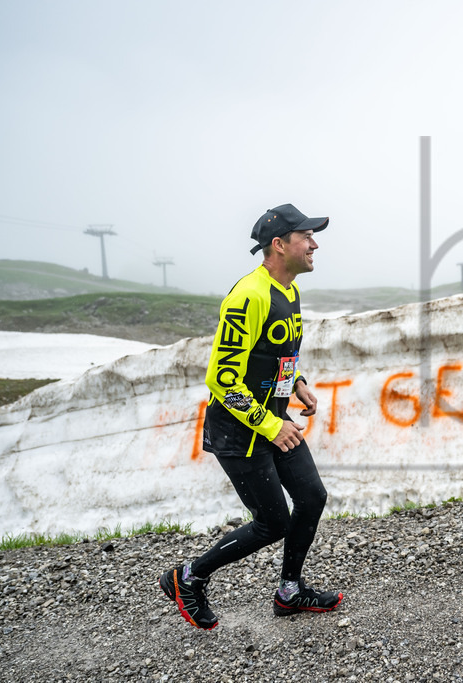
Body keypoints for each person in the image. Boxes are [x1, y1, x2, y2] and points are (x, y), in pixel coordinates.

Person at [159, 203, 343, 630]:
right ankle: (186, 578)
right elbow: (222, 380)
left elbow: (274, 350)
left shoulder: (289, 289)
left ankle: (289, 592)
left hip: (274, 420)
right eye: (306, 237)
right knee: (273, 521)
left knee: (312, 498)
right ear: (279, 245)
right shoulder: (249, 295)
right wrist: (272, 425)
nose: (315, 244)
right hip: (240, 428)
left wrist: (296, 382)